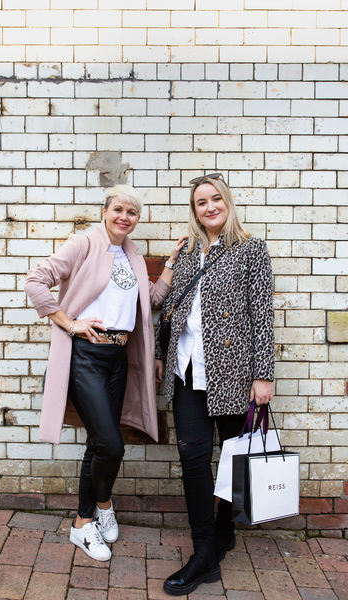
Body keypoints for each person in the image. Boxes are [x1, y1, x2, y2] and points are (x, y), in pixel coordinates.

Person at [25, 184, 186, 562]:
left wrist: (172, 262)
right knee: (112, 445)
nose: (124, 217)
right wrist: (70, 323)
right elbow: (35, 281)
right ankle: (85, 521)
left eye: (132, 212)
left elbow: (152, 300)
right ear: (105, 211)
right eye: (118, 209)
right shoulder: (84, 244)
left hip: (117, 359)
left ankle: (98, 508)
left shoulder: (131, 255)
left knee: (99, 443)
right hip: (86, 357)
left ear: (137, 219)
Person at [155, 173, 275, 596]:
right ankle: (204, 552)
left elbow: (262, 315)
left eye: (215, 199)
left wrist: (263, 375)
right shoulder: (189, 252)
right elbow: (170, 309)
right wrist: (160, 353)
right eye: (200, 202)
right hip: (187, 372)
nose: (209, 207)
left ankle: (225, 530)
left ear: (227, 202)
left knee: (234, 460)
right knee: (193, 460)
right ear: (194, 210)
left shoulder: (251, 249)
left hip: (233, 374)